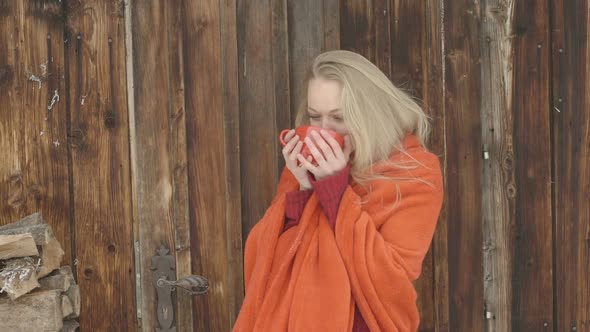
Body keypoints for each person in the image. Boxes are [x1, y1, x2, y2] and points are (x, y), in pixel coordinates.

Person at [233, 50, 444, 332]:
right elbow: (266, 260)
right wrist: (306, 191)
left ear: (370, 114)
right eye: (314, 117)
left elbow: (389, 282)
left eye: (338, 118)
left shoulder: (415, 173)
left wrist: (334, 191)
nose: (322, 131)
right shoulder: (306, 165)